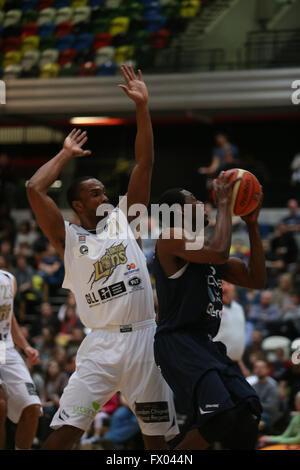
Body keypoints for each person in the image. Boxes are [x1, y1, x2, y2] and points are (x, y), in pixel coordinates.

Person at [27, 64, 178, 451]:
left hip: (145, 339)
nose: (104, 196)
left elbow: (144, 163)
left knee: (157, 439)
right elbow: (34, 188)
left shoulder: (124, 221)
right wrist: (64, 153)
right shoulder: (68, 236)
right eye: (94, 193)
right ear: (77, 204)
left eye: (103, 191)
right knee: (65, 433)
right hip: (99, 346)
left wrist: (143, 108)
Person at [152, 171, 265, 450]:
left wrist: (251, 224)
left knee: (247, 413)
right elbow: (219, 252)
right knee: (218, 417)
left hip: (204, 344)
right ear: (178, 211)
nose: (204, 203)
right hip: (178, 341)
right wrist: (226, 206)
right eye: (195, 200)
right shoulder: (170, 238)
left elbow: (257, 280)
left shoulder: (209, 250)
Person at [0, 269, 41, 450]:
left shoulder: (9, 279)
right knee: (0, 406)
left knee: (32, 407)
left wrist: (25, 346)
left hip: (4, 347)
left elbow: (9, 317)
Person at [213, 281, 246, 362]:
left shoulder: (239, 308)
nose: (225, 288)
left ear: (234, 287)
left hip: (235, 362)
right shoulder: (213, 307)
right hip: (216, 360)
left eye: (228, 284)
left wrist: (241, 364)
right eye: (222, 284)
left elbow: (238, 338)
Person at [252, 359, 281, 433]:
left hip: (270, 415)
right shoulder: (253, 385)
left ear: (267, 370)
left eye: (262, 367)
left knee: (251, 420)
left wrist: (255, 406)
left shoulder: (272, 385)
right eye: (257, 367)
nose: (259, 369)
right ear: (254, 370)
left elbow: (271, 407)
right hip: (257, 412)